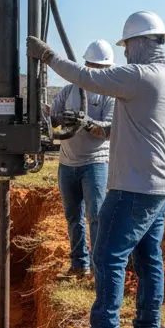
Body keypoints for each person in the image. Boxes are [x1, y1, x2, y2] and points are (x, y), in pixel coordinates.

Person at [28, 11, 165, 328]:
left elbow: (86, 77)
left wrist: (48, 56)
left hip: (135, 186)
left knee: (107, 255)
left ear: (141, 43)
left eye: (127, 45)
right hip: (161, 185)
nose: (125, 52)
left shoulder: (139, 75)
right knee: (148, 260)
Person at [51, 40, 116, 281]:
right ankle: (79, 264)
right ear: (86, 65)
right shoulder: (70, 90)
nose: (96, 72)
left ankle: (98, 270)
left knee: (95, 216)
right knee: (73, 216)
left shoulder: (110, 96)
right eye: (92, 66)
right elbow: (52, 118)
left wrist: (87, 123)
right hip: (67, 163)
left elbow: (108, 130)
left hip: (95, 163)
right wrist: (58, 119)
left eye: (100, 68)